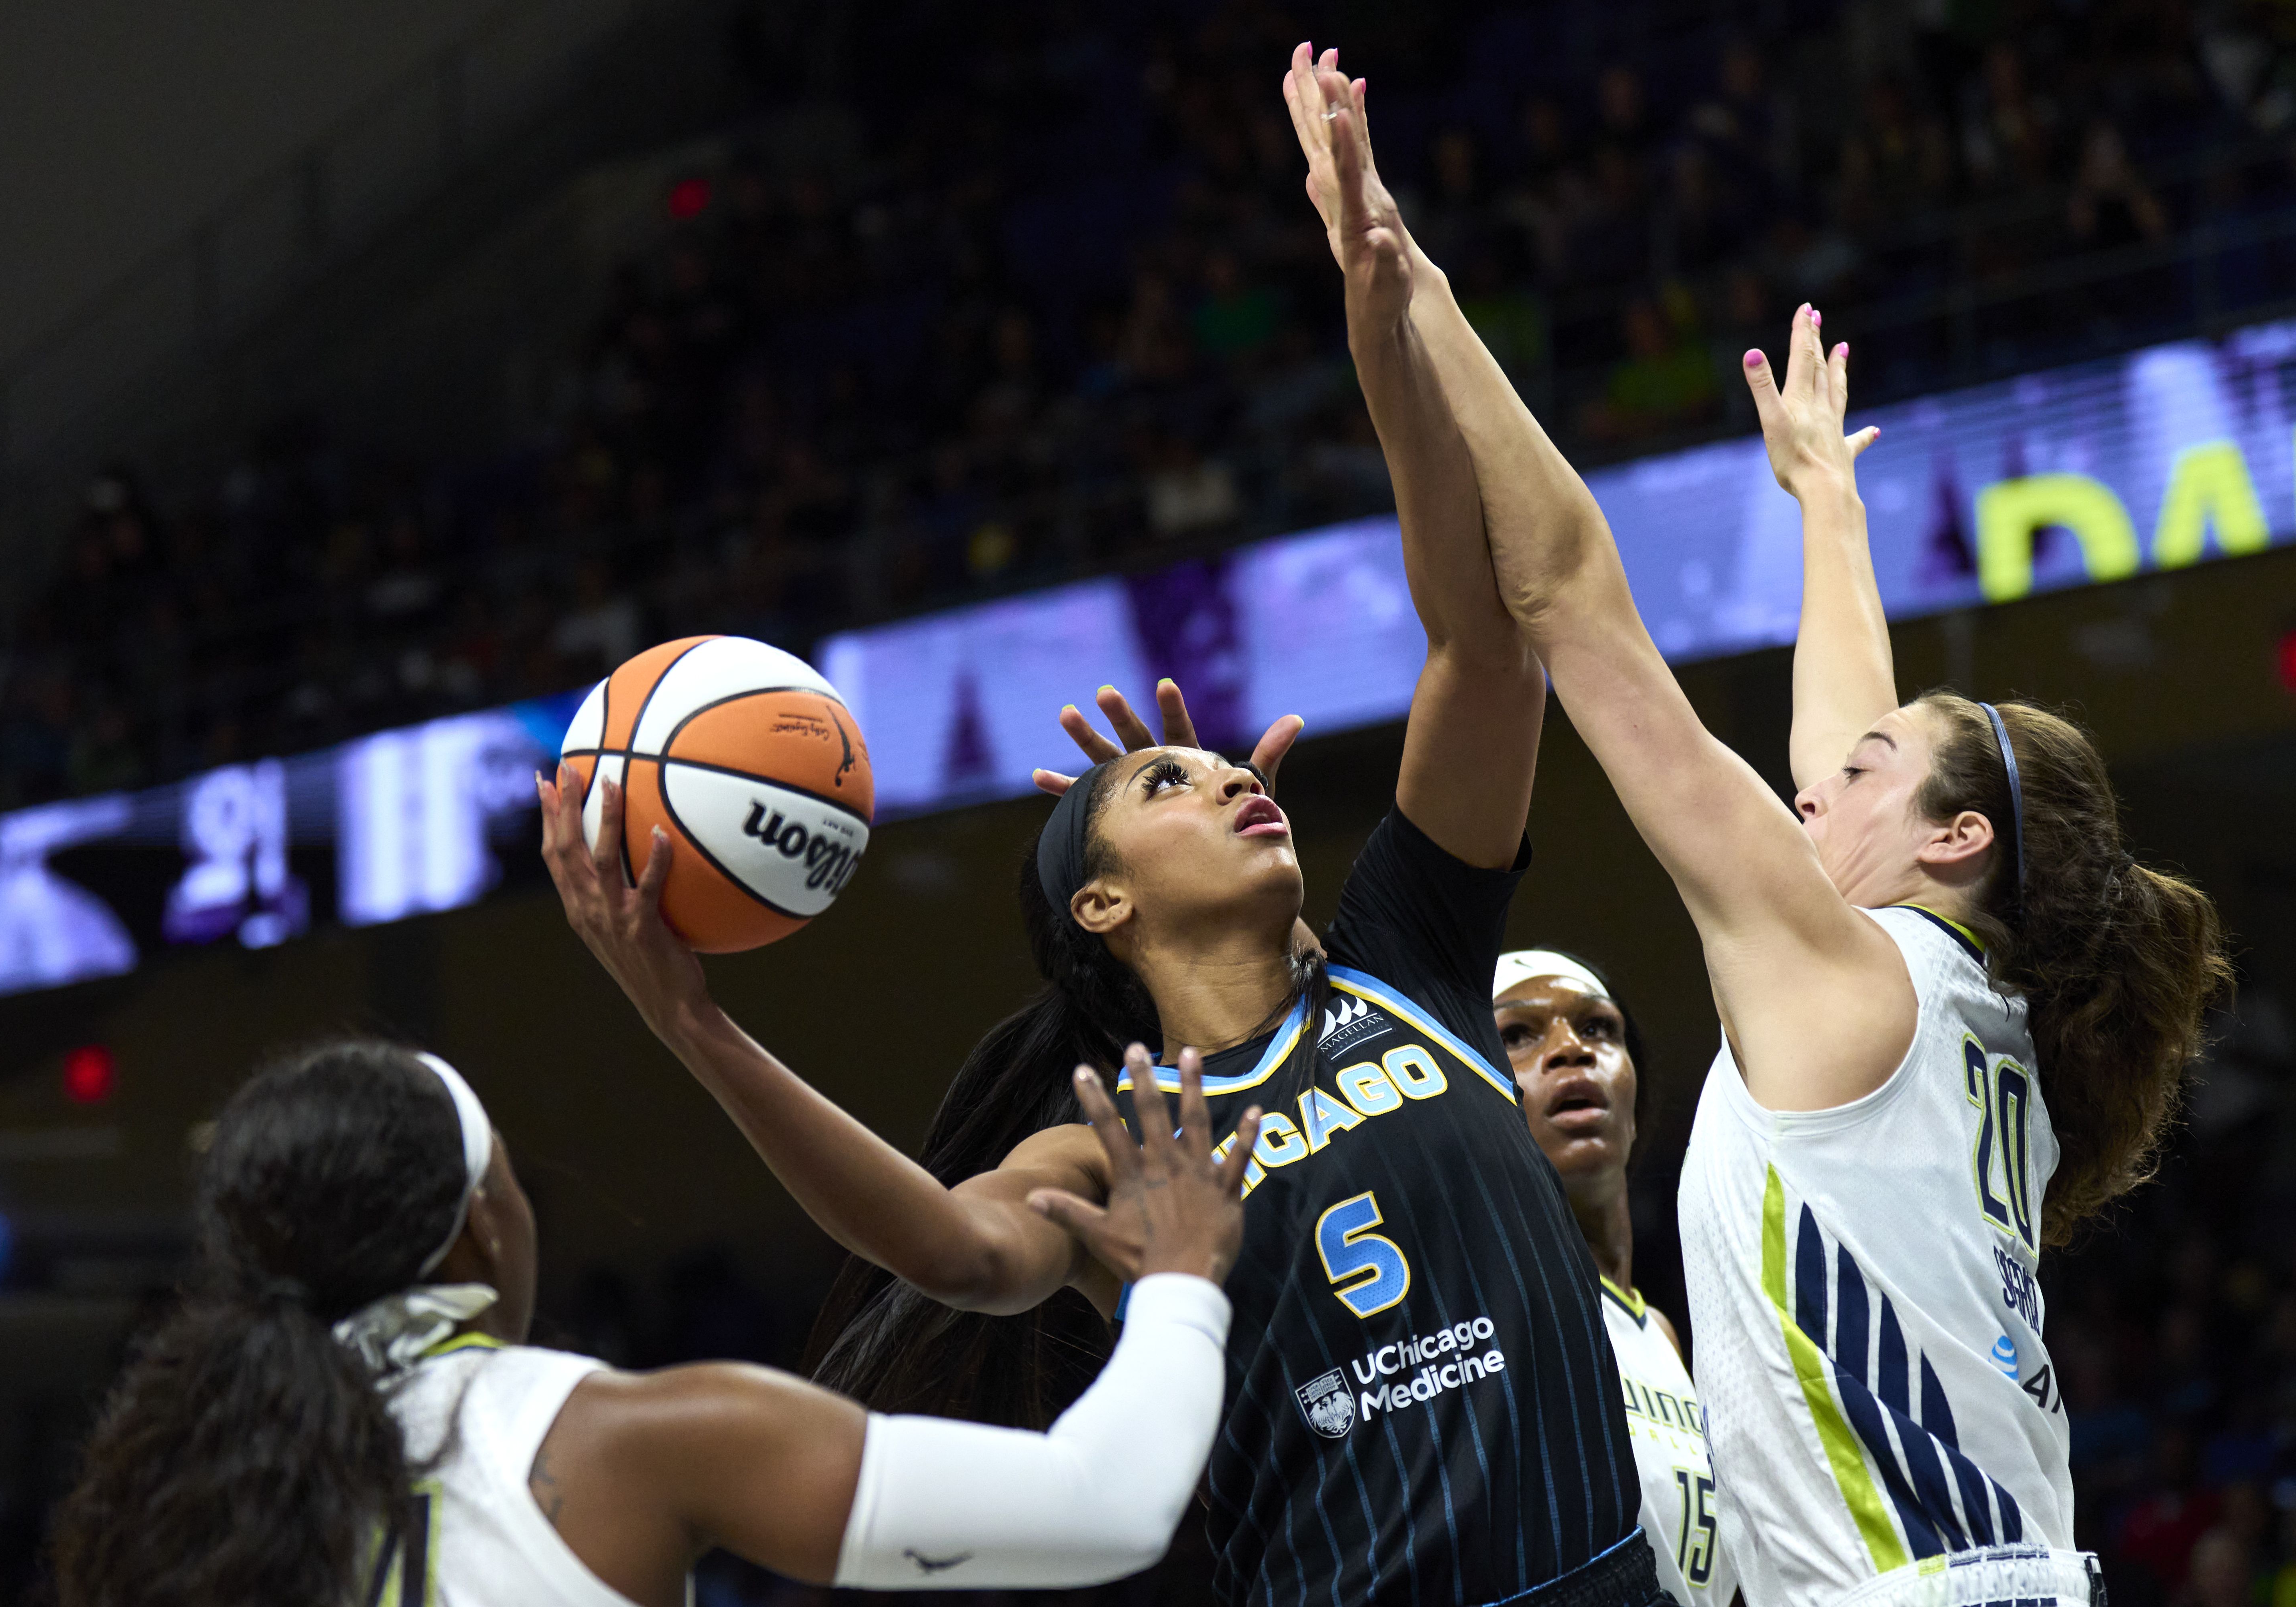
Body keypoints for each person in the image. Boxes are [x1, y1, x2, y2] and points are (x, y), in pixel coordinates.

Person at [549, 39, 1659, 1597]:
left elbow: (1485, 639)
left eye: (1222, 771)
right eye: (1167, 782)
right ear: (1102, 906)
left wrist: (1376, 311)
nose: (1223, 776)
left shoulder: (1411, 955)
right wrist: (696, 1024)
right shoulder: (1122, 1142)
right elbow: (949, 1249)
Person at [1286, 52, 2229, 1607]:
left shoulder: (1851, 978)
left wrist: (1403, 266)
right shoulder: (1980, 1011)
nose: (1816, 787)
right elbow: (1847, 737)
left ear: (1953, 842)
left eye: (1864, 776)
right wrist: (1826, 510)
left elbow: (1567, 589)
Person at [48, 1032, 1257, 1607]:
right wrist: (1182, 1278)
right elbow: (1105, 1506)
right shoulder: (632, 1440)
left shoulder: (177, 1514)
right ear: (484, 1223)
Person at [1493, 951, 1731, 1607]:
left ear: (1636, 1096)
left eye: (1598, 1028)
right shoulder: (1478, 1307)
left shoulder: (1662, 1334)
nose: (1570, 1049)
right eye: (1516, 1035)